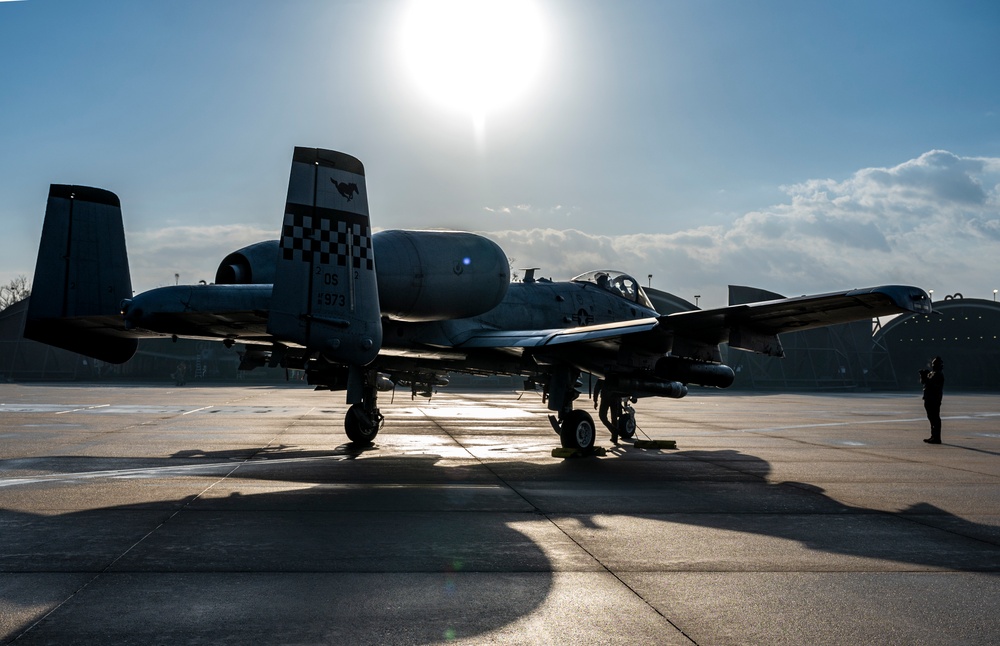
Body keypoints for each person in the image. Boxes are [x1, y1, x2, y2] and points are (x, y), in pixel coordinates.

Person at [919, 356, 944, 444]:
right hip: (929, 398)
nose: (933, 365)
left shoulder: (938, 375)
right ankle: (933, 436)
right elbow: (924, 383)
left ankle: (937, 437)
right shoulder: (932, 373)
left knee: (935, 418)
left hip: (934, 398)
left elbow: (933, 385)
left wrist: (926, 378)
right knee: (931, 417)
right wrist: (923, 376)